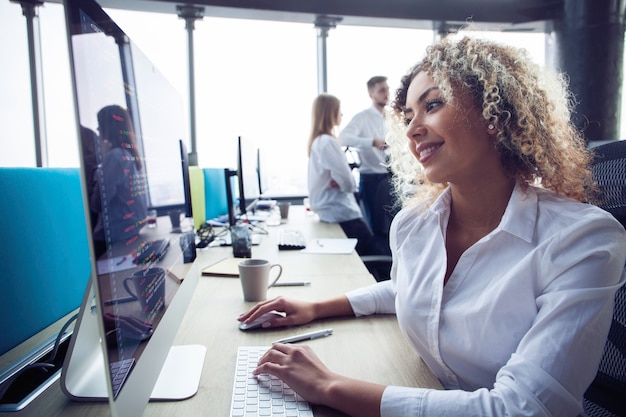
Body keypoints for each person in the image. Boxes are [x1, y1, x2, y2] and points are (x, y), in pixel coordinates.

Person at [238, 35, 626, 417]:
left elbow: (521, 409)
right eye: (408, 117)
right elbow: (416, 287)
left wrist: (330, 386)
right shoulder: (413, 226)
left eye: (433, 105)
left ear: (495, 113)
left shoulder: (581, 239)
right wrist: (317, 307)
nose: (411, 130)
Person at [306, 93, 377, 256]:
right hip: (343, 215)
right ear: (330, 113)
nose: (342, 115)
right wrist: (345, 181)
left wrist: (340, 180)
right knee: (375, 261)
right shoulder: (328, 142)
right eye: (339, 111)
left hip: (332, 214)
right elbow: (348, 183)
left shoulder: (317, 142)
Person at [91, 104, 148, 256]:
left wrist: (99, 175)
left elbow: (97, 204)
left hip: (117, 235)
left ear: (107, 128)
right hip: (131, 230)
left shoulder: (115, 157)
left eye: (99, 126)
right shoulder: (130, 155)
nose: (98, 131)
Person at [340, 76, 392, 231]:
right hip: (371, 181)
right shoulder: (362, 118)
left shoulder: (391, 117)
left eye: (387, 89)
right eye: (382, 90)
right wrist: (372, 142)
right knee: (376, 229)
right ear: (371, 95)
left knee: (392, 227)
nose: (386, 93)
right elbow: (343, 138)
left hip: (390, 178)